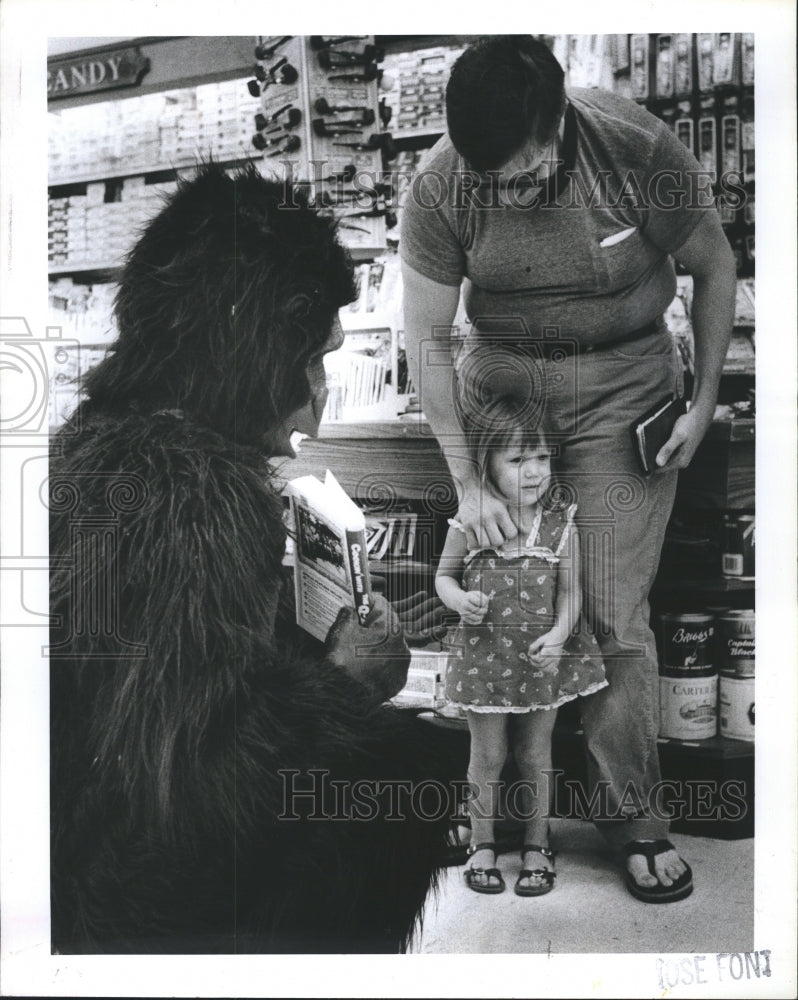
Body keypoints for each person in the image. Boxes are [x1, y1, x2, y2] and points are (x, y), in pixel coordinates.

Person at [49, 161, 458, 954]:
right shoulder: (196, 492)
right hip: (124, 911)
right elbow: (200, 787)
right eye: (314, 357)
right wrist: (348, 681)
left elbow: (158, 687)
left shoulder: (93, 441)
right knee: (412, 770)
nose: (321, 391)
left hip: (62, 858)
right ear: (258, 350)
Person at [401, 35, 737, 902]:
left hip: (624, 385)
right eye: (490, 180)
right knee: (496, 590)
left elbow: (712, 263)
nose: (506, 194)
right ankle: (497, 814)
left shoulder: (634, 145)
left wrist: (701, 401)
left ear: (559, 121)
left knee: (612, 607)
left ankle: (635, 818)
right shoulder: (440, 185)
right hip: (505, 394)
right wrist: (467, 482)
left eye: (523, 174)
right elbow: (428, 337)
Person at [436, 397, 607, 896]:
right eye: (516, 459)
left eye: (542, 457)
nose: (534, 471)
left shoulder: (559, 524)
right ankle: (482, 843)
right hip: (483, 662)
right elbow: (443, 577)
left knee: (535, 753)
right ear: (485, 462)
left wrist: (559, 636)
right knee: (487, 755)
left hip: (539, 663)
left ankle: (538, 843)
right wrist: (458, 599)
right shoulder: (470, 522)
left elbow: (571, 593)